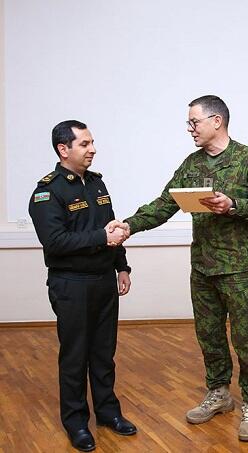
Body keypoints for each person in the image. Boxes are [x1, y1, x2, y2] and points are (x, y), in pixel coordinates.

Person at [118, 95, 248, 441]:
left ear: (216, 121)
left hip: (239, 270)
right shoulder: (191, 164)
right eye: (189, 123)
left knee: (246, 338)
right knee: (209, 336)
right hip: (203, 269)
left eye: (195, 122)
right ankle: (219, 394)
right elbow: (164, 205)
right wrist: (129, 225)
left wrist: (233, 205)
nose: (190, 129)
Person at [28, 120, 137, 452]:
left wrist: (122, 266)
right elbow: (55, 241)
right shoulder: (47, 192)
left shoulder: (96, 183)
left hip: (104, 281)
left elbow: (112, 228)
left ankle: (108, 412)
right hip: (71, 284)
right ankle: (75, 422)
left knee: (104, 353)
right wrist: (102, 237)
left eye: (92, 143)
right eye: (84, 144)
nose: (92, 149)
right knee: (75, 356)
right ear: (63, 149)